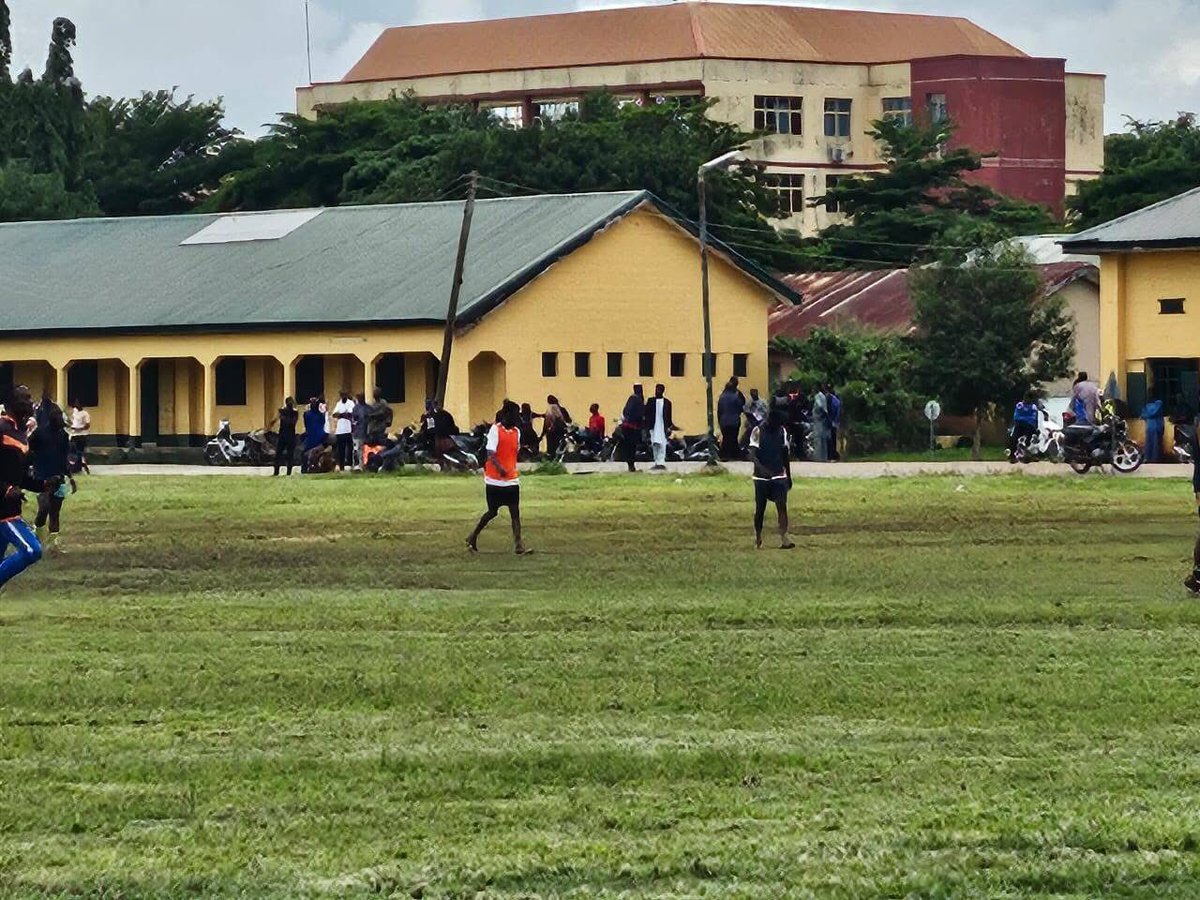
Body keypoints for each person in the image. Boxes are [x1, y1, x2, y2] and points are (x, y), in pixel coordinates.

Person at [467, 400, 532, 556]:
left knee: (515, 513)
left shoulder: (516, 432)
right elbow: (491, 453)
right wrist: (499, 467)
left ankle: (519, 545)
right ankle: (473, 536)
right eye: (516, 414)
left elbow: (514, 451)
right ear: (507, 414)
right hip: (494, 480)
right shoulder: (495, 430)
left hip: (511, 479)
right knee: (492, 512)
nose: (518, 418)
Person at [0, 386, 45, 591]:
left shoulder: (21, 434)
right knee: (31, 550)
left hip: (12, 509)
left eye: (29, 398)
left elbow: (20, 477)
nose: (29, 402)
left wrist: (43, 485)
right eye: (23, 399)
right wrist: (6, 489)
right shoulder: (2, 429)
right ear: (10, 404)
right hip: (4, 513)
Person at [29, 403, 77, 554]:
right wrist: (30, 467)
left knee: (55, 512)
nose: (60, 419)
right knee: (44, 508)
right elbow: (29, 450)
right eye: (58, 417)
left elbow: (64, 457)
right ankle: (36, 534)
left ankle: (53, 544)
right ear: (51, 418)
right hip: (42, 477)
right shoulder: (39, 433)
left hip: (59, 477)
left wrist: (70, 477)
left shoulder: (63, 436)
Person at [749, 404, 796, 551]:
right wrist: (761, 469)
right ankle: (758, 538)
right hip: (761, 478)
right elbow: (752, 454)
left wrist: (788, 475)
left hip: (778, 475)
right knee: (760, 509)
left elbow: (785, 454)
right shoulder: (757, 431)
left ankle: (784, 538)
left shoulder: (782, 431)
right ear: (770, 419)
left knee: (782, 506)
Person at [644, 384, 674, 471]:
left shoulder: (667, 403)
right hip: (653, 426)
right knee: (654, 444)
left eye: (659, 390)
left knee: (662, 444)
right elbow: (647, 414)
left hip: (662, 427)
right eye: (656, 389)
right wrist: (646, 427)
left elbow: (669, 417)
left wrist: (669, 427)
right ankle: (656, 462)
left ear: (663, 391)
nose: (657, 391)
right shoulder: (651, 401)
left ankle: (661, 462)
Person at [717, 378, 746, 461]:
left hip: (724, 421)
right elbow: (741, 408)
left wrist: (720, 421)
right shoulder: (736, 396)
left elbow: (719, 410)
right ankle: (734, 455)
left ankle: (724, 455)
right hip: (734, 421)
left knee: (726, 438)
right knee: (733, 438)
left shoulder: (722, 397)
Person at [1008, 391, 1042, 462]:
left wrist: (1035, 426)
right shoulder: (1020, 405)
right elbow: (1016, 416)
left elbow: (1034, 418)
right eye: (1025, 398)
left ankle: (1031, 454)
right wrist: (1025, 419)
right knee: (1013, 438)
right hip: (1020, 425)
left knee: (1032, 437)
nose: (1026, 400)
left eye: (1028, 398)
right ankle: (1012, 456)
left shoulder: (1033, 407)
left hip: (1029, 426)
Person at [620, 384, 645, 473]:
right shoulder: (638, 399)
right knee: (632, 447)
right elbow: (640, 414)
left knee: (629, 447)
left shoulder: (632, 399)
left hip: (627, 427)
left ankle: (631, 466)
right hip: (633, 428)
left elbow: (625, 411)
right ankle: (631, 466)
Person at [273, 397, 299, 476]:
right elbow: (293, 422)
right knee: (287, 454)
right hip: (288, 435)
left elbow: (275, 420)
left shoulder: (283, 411)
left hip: (285, 434)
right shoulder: (294, 413)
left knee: (281, 454)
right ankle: (284, 472)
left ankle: (279, 471)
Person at [331, 389, 355, 472]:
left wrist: (341, 415)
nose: (343, 396)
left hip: (348, 430)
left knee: (350, 448)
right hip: (340, 430)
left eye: (344, 394)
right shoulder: (339, 403)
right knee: (340, 449)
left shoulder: (351, 403)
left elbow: (350, 414)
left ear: (346, 395)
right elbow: (334, 414)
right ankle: (341, 466)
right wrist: (343, 415)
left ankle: (350, 465)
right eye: (341, 395)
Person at [301, 398, 326, 474]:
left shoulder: (318, 415)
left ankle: (307, 468)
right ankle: (306, 468)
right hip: (313, 437)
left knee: (307, 453)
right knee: (304, 453)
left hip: (317, 437)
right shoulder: (309, 414)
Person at [68, 399, 91, 474]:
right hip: (73, 435)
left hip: (81, 435)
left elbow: (87, 426)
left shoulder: (85, 414)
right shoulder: (75, 412)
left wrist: (78, 429)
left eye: (78, 404)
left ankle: (80, 466)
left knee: (79, 452)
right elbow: (72, 420)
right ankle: (75, 467)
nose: (76, 405)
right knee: (72, 451)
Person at [1141, 398, 1165, 464]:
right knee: (1157, 444)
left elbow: (1142, 415)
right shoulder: (1159, 404)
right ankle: (1155, 459)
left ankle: (1148, 458)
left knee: (1149, 443)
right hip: (1157, 426)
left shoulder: (1146, 407)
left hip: (1150, 426)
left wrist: (1147, 416)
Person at [351, 392, 370, 472]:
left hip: (367, 432)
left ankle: (364, 465)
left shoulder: (368, 408)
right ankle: (357, 466)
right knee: (357, 449)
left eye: (361, 397)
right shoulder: (355, 408)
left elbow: (370, 419)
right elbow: (354, 419)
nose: (359, 399)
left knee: (365, 450)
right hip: (357, 432)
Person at [811, 384, 830, 462]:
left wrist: (818, 414)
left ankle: (818, 457)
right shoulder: (823, 396)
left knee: (818, 439)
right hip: (823, 420)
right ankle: (824, 457)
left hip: (818, 420)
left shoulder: (818, 396)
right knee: (823, 440)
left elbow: (820, 406)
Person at [827, 385, 843, 462]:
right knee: (834, 440)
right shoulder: (837, 400)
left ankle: (832, 456)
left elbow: (831, 411)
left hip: (832, 422)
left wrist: (831, 420)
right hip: (835, 422)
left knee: (831, 440)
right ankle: (835, 455)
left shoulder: (831, 399)